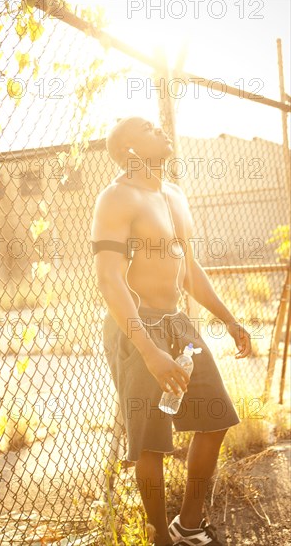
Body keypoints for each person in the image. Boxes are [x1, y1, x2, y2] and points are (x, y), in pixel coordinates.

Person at [90, 116, 252, 546]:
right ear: (129, 149)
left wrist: (230, 320)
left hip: (177, 322)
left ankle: (189, 525)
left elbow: (189, 270)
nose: (160, 128)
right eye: (147, 128)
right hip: (136, 325)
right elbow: (109, 279)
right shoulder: (116, 198)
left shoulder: (175, 195)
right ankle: (160, 537)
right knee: (151, 443)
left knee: (216, 416)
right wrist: (148, 350)